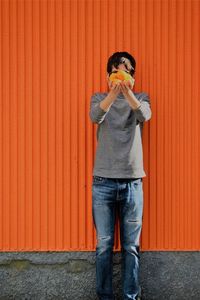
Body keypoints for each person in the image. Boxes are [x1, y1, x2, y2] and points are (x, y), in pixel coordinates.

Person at [89, 51, 152, 300]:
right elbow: (96, 116)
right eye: (115, 70)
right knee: (104, 245)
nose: (120, 74)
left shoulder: (141, 99)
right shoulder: (99, 98)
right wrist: (115, 92)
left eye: (125, 70)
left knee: (131, 247)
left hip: (133, 182)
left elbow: (144, 115)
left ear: (133, 76)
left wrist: (127, 92)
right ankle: (104, 296)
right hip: (103, 181)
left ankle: (130, 296)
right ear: (107, 76)